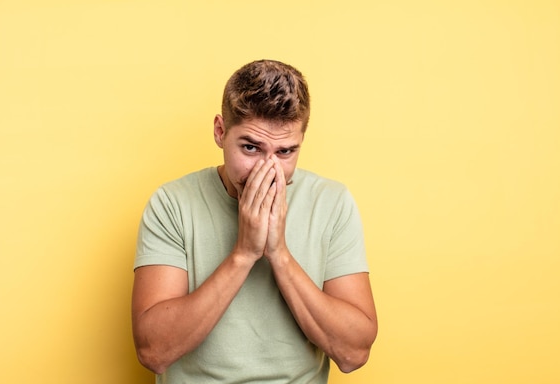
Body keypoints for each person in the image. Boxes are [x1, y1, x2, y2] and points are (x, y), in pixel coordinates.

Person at [131, 59, 377, 383]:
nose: (268, 169)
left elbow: (354, 353)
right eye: (250, 147)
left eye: (286, 152)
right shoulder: (171, 204)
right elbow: (153, 351)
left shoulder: (332, 203)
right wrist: (244, 253)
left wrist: (280, 255)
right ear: (220, 132)